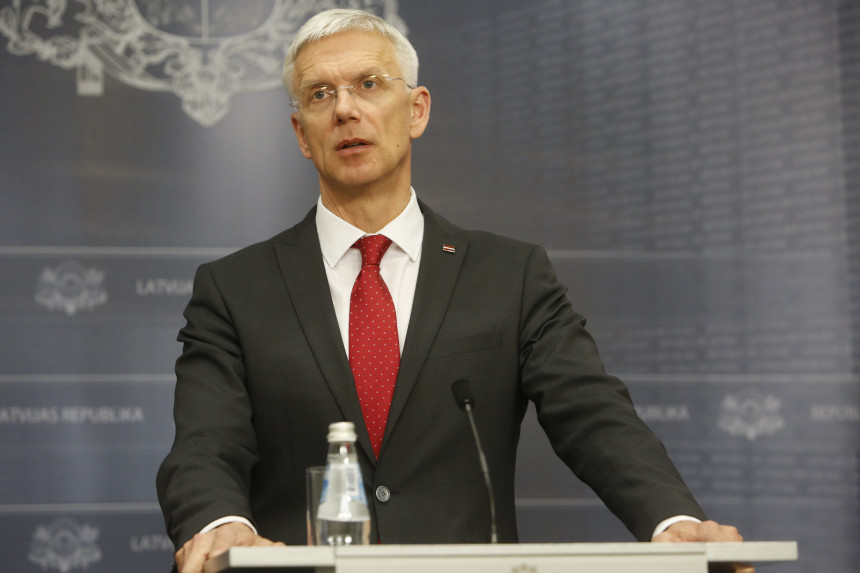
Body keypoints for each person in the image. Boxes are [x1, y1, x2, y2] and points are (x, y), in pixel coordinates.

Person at [156, 8, 746, 573]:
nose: (345, 110)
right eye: (320, 94)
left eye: (368, 84)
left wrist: (670, 519)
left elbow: (592, 413)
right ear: (301, 135)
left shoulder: (510, 275)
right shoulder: (234, 290)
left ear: (416, 110)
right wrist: (219, 523)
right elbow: (205, 444)